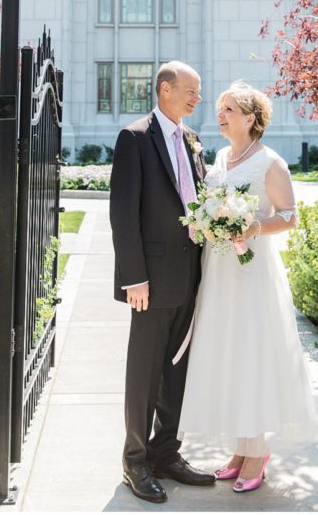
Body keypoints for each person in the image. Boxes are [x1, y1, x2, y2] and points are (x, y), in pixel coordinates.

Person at [177, 80, 318, 493]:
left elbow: (290, 216)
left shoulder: (270, 163)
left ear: (250, 117)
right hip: (220, 271)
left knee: (252, 354)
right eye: (221, 109)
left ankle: (258, 452)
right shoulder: (221, 158)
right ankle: (241, 450)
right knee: (228, 354)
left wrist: (253, 226)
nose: (219, 115)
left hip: (252, 271)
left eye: (228, 109)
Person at [109, 61, 216, 504]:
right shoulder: (134, 138)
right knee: (145, 372)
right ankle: (135, 462)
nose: (198, 98)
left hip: (190, 276)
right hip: (150, 281)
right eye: (191, 90)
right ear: (165, 89)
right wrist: (134, 277)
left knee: (177, 372)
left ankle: (166, 453)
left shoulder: (192, 140)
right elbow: (123, 213)